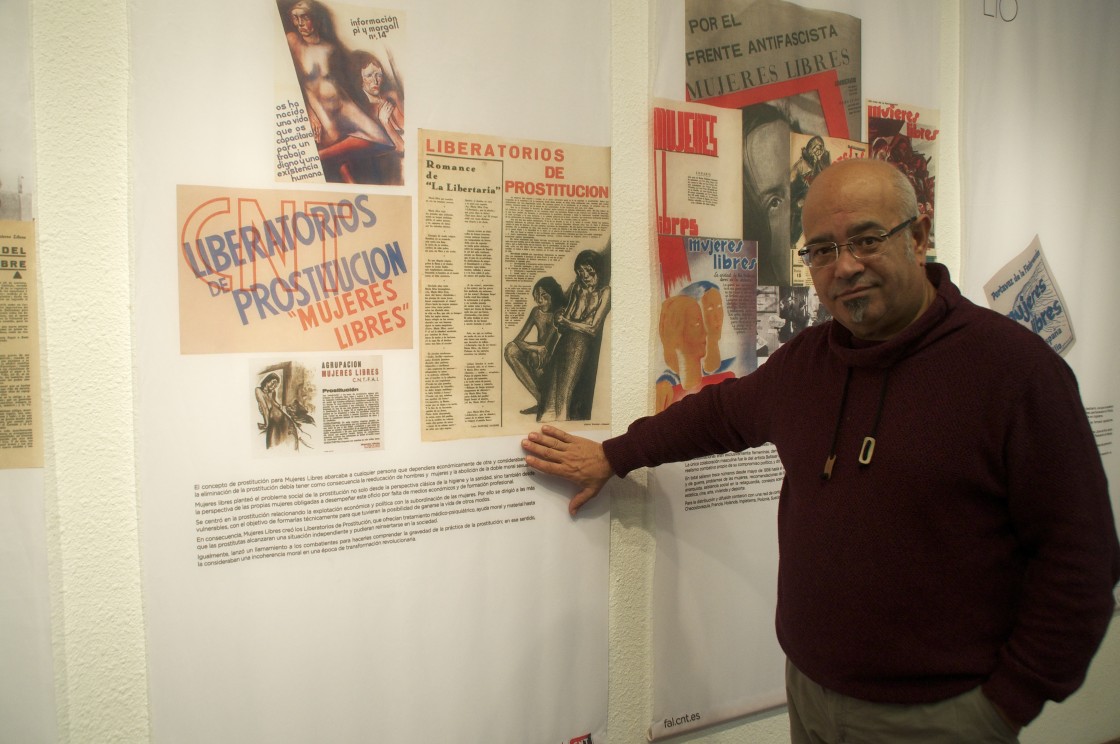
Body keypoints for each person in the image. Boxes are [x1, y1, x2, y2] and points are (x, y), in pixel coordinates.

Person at [522, 159, 1119, 742]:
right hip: (810, 695)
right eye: (823, 250)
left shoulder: (1013, 374)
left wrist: (1005, 705)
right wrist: (614, 455)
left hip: (942, 716)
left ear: (919, 236)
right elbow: (718, 415)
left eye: (866, 240)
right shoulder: (809, 363)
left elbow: (1080, 560)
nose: (845, 267)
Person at [279, 0, 391, 180]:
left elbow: (348, 77)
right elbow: (295, 81)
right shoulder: (293, 42)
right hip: (321, 109)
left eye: (304, 17)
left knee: (383, 140)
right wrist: (309, 112)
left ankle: (318, 159)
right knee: (343, 162)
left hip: (344, 105)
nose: (300, 23)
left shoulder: (330, 47)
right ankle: (323, 164)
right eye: (295, 18)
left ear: (315, 18)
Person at [537, 247, 611, 422]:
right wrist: (559, 319)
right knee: (550, 398)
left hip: (580, 344)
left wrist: (568, 323)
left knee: (563, 396)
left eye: (588, 271)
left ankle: (563, 426)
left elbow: (593, 329)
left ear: (596, 270)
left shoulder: (605, 292)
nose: (584, 275)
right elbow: (565, 321)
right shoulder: (578, 288)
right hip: (565, 342)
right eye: (580, 271)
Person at [505, 276, 565, 415]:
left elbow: (549, 343)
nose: (539, 299)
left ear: (553, 295)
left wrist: (538, 350)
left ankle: (544, 401)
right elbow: (518, 340)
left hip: (553, 355)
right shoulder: (536, 312)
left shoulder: (560, 312)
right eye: (536, 295)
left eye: (544, 295)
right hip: (538, 351)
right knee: (510, 349)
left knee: (533, 356)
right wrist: (536, 348)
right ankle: (540, 399)